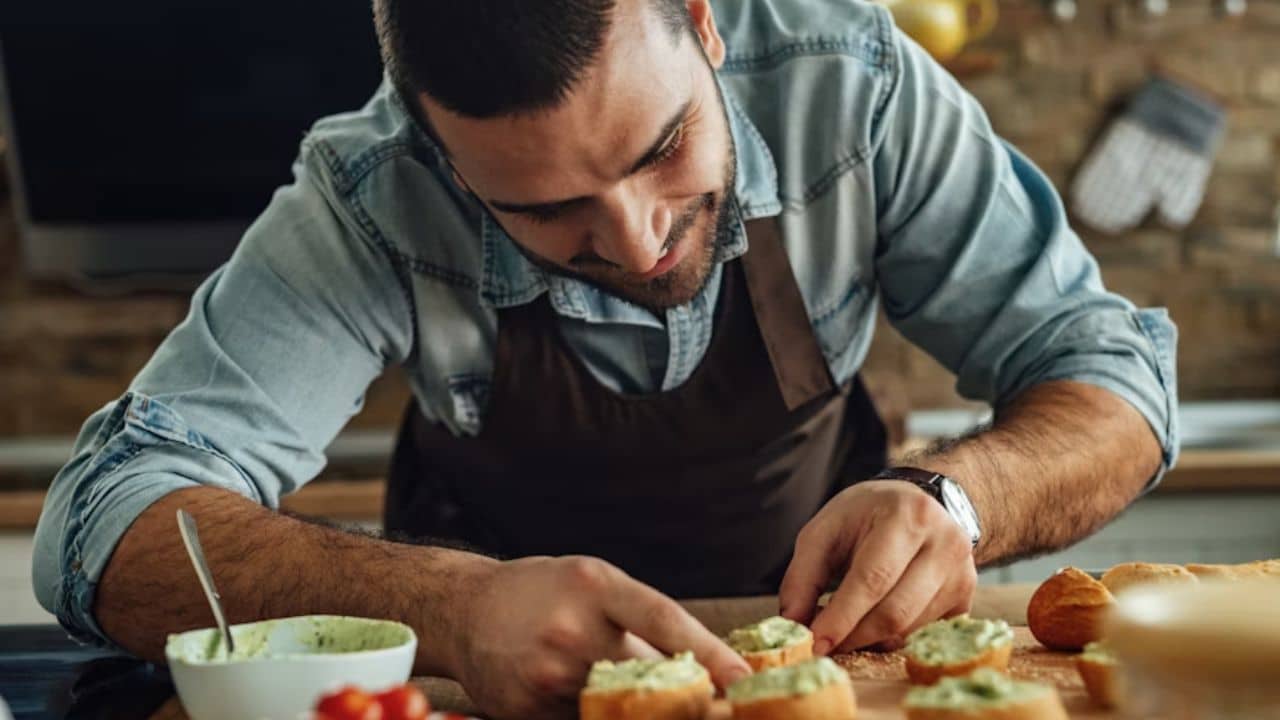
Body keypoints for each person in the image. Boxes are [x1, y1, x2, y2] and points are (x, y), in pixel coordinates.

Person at [32, 0, 1177, 718]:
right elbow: (97, 521)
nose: (636, 241)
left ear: (701, 20)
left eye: (662, 146)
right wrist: (451, 606)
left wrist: (957, 499)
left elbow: (1111, 380)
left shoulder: (855, 90)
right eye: (544, 208)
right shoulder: (370, 194)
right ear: (437, 151)